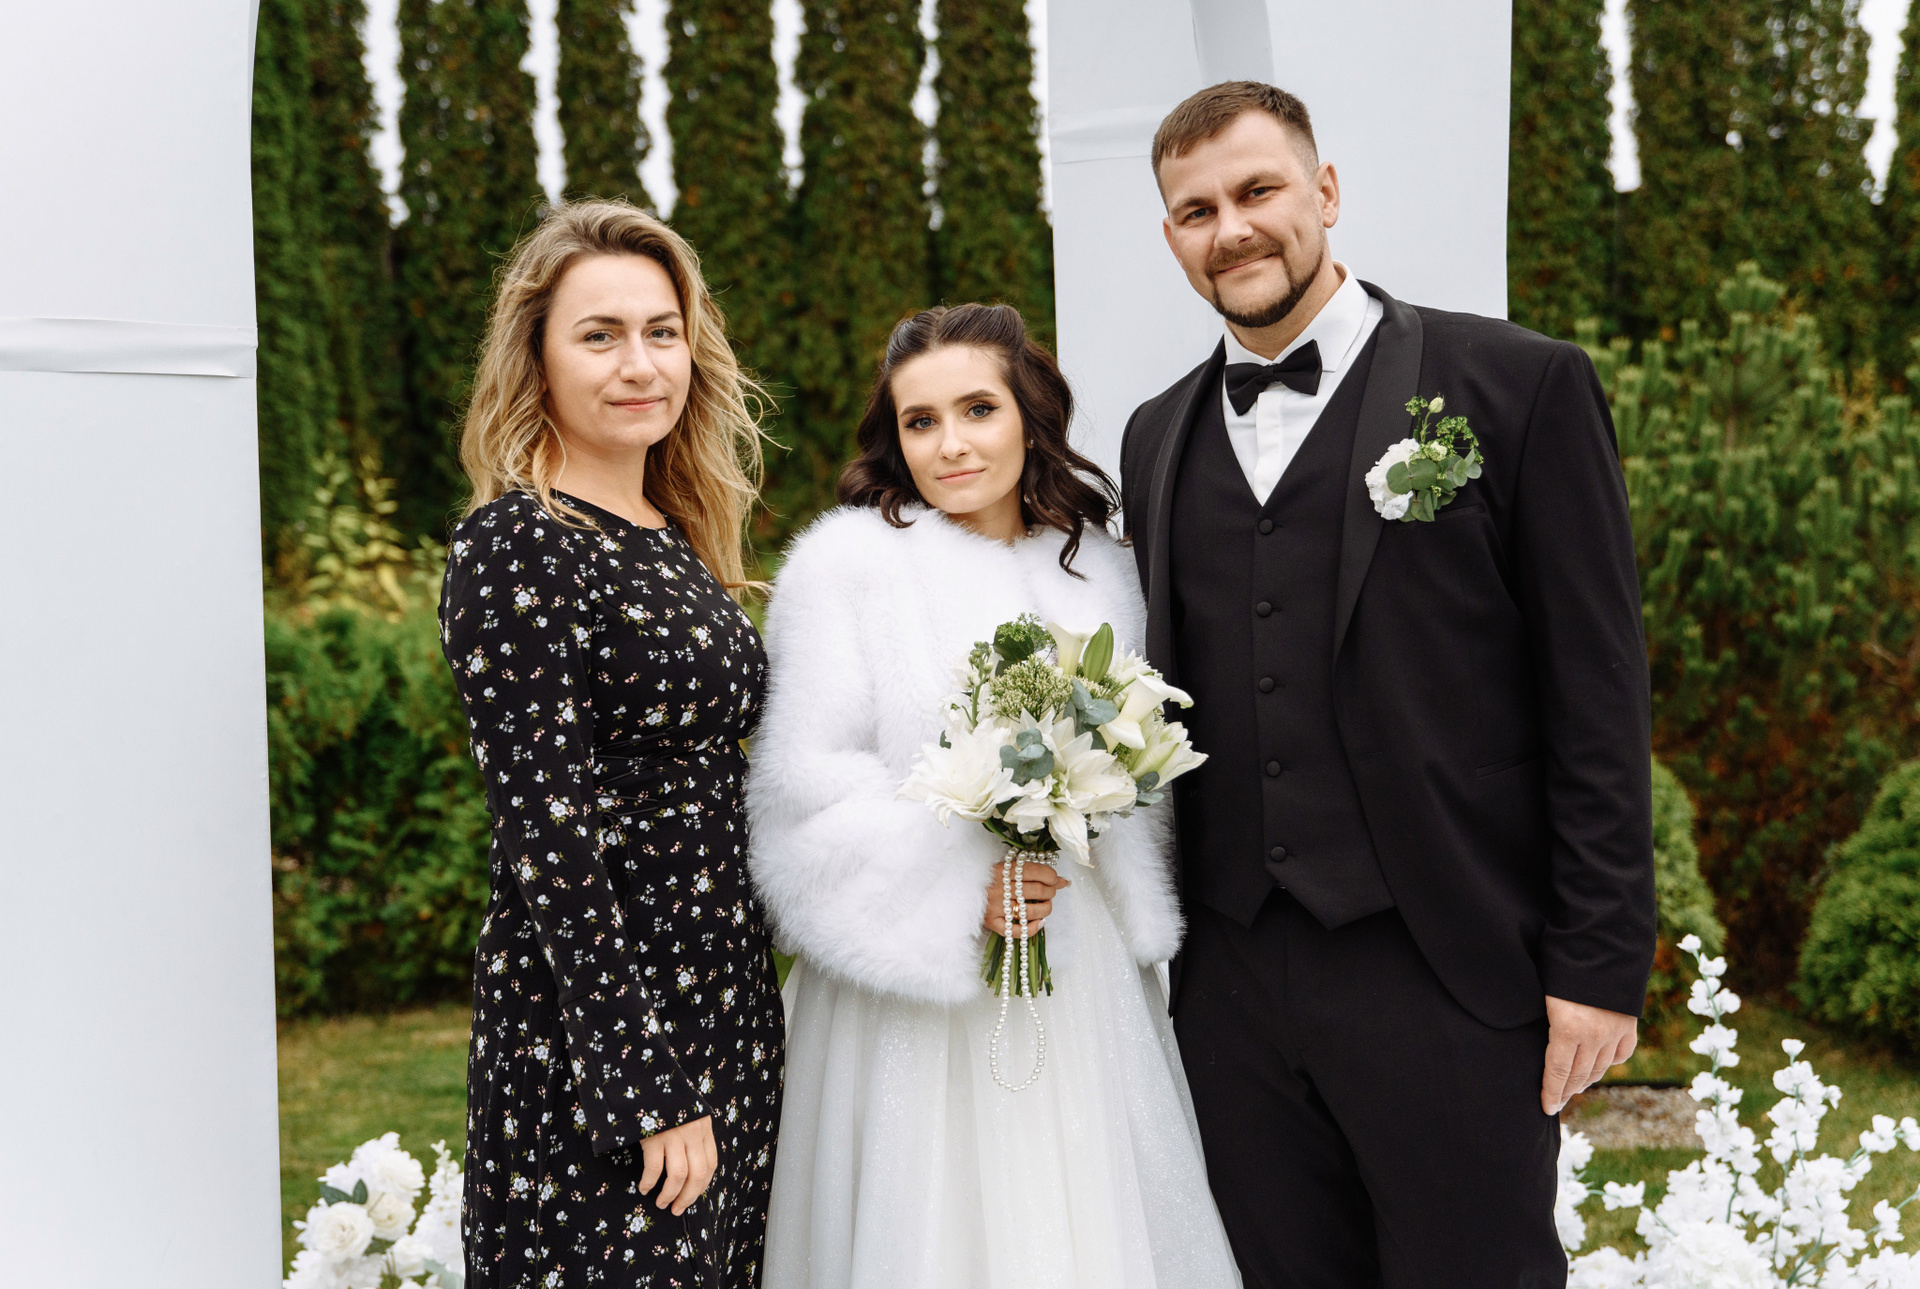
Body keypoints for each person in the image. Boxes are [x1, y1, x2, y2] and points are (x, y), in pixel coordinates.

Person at [1119, 82, 1656, 1287]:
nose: (1232, 229)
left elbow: (1599, 693)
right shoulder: (1154, 436)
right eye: (1197, 211)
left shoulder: (1518, 383)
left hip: (1451, 962)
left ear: (1324, 191)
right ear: (1171, 237)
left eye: (1257, 190)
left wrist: (1598, 963)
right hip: (1232, 983)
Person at [746, 303, 1242, 1289]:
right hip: (915, 981)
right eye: (920, 420)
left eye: (978, 408)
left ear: (1030, 416)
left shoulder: (1102, 572)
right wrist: (959, 886)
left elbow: (1140, 768)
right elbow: (804, 789)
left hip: (1083, 974)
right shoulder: (850, 568)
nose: (952, 444)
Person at [439, 200, 784, 1288]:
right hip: (600, 1044)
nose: (640, 363)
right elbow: (548, 835)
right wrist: (644, 1084)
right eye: (600, 335)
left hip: (726, 1010)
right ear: (536, 358)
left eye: (661, 332)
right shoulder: (517, 543)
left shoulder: (675, 536)